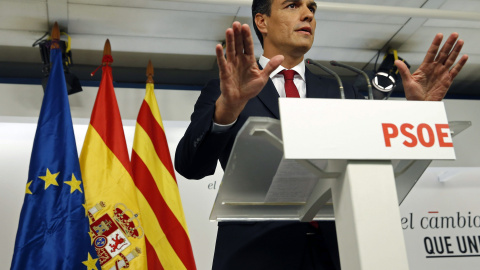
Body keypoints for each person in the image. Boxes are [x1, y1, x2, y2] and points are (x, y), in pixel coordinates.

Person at [175, 0, 469, 269]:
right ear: (261, 22)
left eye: (312, 8)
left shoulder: (341, 90)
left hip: (337, 253)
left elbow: (380, 166)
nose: (308, 15)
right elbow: (191, 166)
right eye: (292, 5)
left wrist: (418, 114)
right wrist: (227, 109)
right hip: (255, 253)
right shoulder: (226, 89)